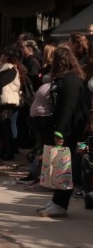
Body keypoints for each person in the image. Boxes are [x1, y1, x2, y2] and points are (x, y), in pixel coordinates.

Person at [36, 46, 88, 218]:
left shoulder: (70, 80)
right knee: (57, 164)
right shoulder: (66, 78)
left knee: (63, 165)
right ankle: (56, 200)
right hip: (64, 127)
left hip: (69, 130)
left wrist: (60, 131)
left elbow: (68, 107)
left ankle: (61, 204)